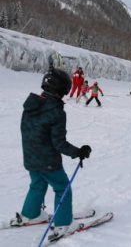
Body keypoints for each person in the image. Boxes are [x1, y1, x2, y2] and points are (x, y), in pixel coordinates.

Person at [10, 68, 92, 239]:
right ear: (61, 89)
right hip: (47, 160)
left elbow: (28, 131)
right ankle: (63, 224)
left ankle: (30, 214)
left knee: (38, 185)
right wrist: (78, 152)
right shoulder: (56, 111)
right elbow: (59, 143)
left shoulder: (32, 104)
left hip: (31, 157)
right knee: (62, 188)